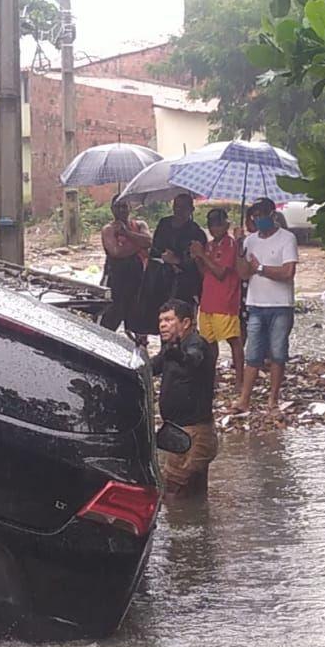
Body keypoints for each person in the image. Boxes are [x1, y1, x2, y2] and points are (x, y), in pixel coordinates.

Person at [236, 198, 299, 413]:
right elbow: (243, 273)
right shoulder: (250, 240)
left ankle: (273, 399)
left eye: (262, 215)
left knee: (277, 354)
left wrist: (261, 268)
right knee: (252, 355)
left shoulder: (287, 238)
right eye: (255, 216)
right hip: (255, 303)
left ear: (272, 215)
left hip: (281, 304)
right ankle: (244, 399)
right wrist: (239, 250)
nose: (258, 220)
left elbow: (288, 272)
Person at [151, 299, 218, 496]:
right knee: (192, 494)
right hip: (179, 432)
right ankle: (199, 515)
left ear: (186, 323)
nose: (163, 325)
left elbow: (193, 359)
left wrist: (179, 355)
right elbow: (151, 367)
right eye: (161, 320)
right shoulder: (170, 348)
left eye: (169, 320)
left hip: (193, 435)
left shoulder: (196, 344)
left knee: (175, 495)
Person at [191, 208, 244, 383]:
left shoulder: (230, 245)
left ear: (226, 225)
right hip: (207, 301)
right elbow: (204, 273)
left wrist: (202, 255)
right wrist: (198, 258)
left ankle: (239, 379)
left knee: (232, 340)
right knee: (209, 342)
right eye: (212, 225)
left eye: (219, 224)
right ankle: (210, 378)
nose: (215, 229)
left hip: (224, 301)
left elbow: (221, 273)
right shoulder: (210, 245)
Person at [100, 197, 152, 337]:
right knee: (109, 320)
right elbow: (116, 252)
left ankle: (140, 347)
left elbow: (148, 241)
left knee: (138, 322)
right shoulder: (108, 229)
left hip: (138, 279)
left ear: (130, 207)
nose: (121, 210)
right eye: (118, 207)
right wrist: (139, 244)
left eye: (124, 206)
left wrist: (127, 233)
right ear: (112, 209)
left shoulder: (140, 225)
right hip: (115, 281)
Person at [151, 192, 208, 309]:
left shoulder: (197, 232)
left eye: (184, 207)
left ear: (191, 209)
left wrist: (177, 261)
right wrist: (164, 256)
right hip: (160, 280)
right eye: (176, 206)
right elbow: (154, 249)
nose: (179, 210)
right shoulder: (164, 224)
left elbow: (198, 262)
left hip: (184, 285)